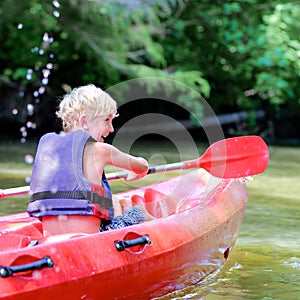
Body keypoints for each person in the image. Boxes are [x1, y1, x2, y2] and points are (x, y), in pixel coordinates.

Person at [27, 84, 151, 236]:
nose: (111, 129)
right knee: (139, 212)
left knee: (112, 201)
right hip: (91, 240)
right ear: (85, 121)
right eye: (106, 120)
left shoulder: (49, 148)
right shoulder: (101, 150)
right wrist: (137, 172)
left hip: (51, 241)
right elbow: (142, 166)